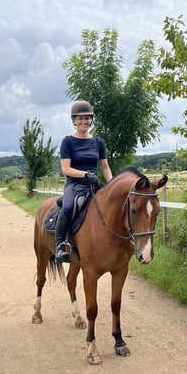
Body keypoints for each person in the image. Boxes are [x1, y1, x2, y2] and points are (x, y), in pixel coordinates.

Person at [54, 100, 113, 262]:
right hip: (74, 184)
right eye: (80, 118)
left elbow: (105, 167)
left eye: (87, 118)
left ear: (91, 120)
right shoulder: (68, 142)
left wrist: (112, 184)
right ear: (74, 120)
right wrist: (85, 174)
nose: (84, 121)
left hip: (93, 185)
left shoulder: (98, 143)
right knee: (68, 207)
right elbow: (65, 169)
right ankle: (60, 245)